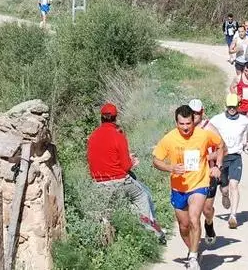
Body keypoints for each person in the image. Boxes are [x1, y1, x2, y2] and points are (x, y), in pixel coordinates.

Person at [153, 104, 223, 269]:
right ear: (176, 123)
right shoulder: (169, 138)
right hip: (178, 188)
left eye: (188, 124)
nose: (185, 128)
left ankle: (192, 258)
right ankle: (194, 250)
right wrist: (171, 168)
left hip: (199, 184)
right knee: (184, 226)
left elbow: (221, 145)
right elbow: (156, 160)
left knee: (193, 218)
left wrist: (217, 166)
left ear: (194, 121)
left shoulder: (203, 135)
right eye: (181, 124)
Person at [86, 102, 165, 242]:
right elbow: (125, 166)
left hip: (98, 182)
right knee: (143, 195)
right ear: (116, 118)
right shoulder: (118, 135)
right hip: (119, 180)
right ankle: (152, 233)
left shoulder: (93, 136)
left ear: (101, 118)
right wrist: (132, 161)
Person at [208, 94, 248, 229]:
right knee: (225, 188)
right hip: (222, 158)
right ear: (226, 106)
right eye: (229, 107)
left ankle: (233, 216)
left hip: (235, 157)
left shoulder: (244, 120)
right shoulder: (217, 119)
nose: (232, 109)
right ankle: (225, 195)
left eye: (234, 107)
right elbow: (206, 129)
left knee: (234, 185)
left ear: (238, 106)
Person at [189, 99, 221, 245]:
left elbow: (223, 149)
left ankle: (209, 223)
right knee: (192, 212)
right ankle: (194, 245)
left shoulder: (209, 129)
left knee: (206, 210)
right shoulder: (184, 128)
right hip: (191, 174)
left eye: (197, 113)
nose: (194, 115)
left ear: (202, 112)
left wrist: (209, 159)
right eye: (191, 113)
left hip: (208, 174)